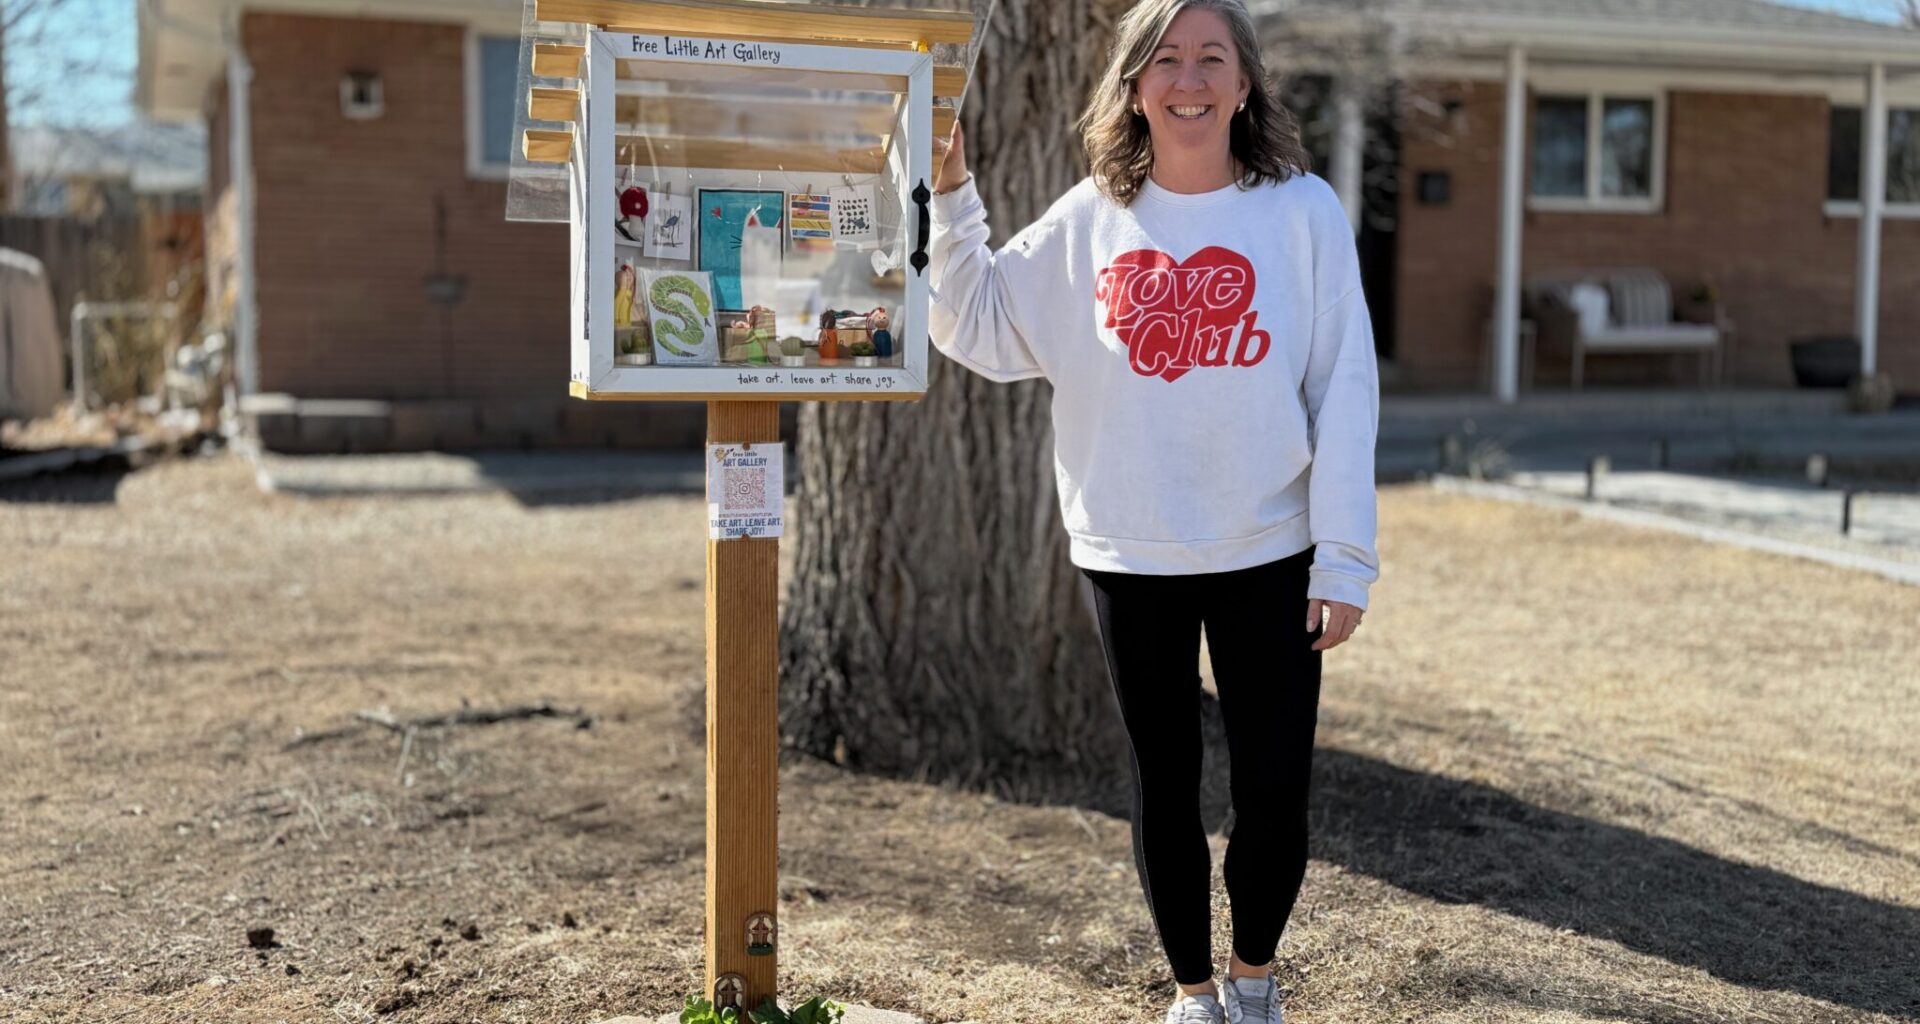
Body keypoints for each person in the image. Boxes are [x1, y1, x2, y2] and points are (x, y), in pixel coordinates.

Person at [926, 1, 1380, 1021]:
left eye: (1211, 57)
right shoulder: (1092, 218)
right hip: (1130, 553)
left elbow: (1344, 386)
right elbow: (985, 323)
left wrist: (1344, 556)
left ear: (1245, 82)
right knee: (1163, 786)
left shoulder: (1301, 213)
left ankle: (1255, 982)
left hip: (1272, 547)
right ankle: (1193, 993)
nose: (1189, 78)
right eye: (1166, 59)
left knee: (1273, 790)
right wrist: (951, 194)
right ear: (1134, 84)